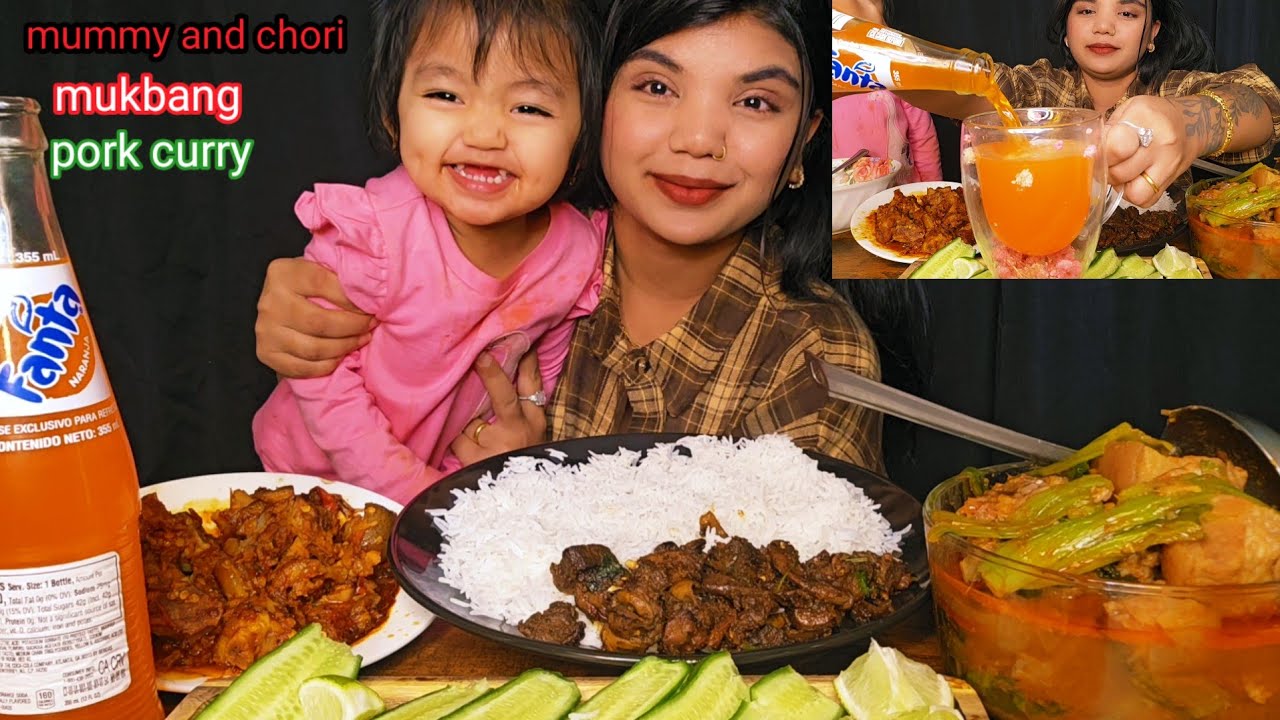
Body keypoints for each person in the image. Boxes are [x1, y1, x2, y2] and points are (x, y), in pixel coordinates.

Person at [253, 0, 903, 475]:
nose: (698, 140)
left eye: (756, 102)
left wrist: (516, 481)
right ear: (596, 106)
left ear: (803, 146)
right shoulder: (539, 253)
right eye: (656, 86)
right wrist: (303, 322)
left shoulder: (814, 357)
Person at [250, 0, 605, 504]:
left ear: (581, 138)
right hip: (307, 482)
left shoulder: (576, 251)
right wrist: (417, 494)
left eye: (529, 108)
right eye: (445, 94)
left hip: (440, 494)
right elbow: (321, 381)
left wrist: (457, 479)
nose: (484, 134)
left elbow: (538, 376)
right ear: (394, 114)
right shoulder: (374, 233)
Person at [837, 0, 1280, 207]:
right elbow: (972, 88)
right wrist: (878, 57)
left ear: (1153, 35)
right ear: (1066, 31)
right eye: (1086, 10)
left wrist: (1188, 123)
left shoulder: (1177, 86)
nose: (1104, 25)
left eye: (1127, 13)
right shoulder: (1042, 89)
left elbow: (1262, 102)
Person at [831, 0, 942, 183]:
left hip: (902, 196)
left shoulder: (894, 69)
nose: (865, 8)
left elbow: (923, 137)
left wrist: (931, 186)